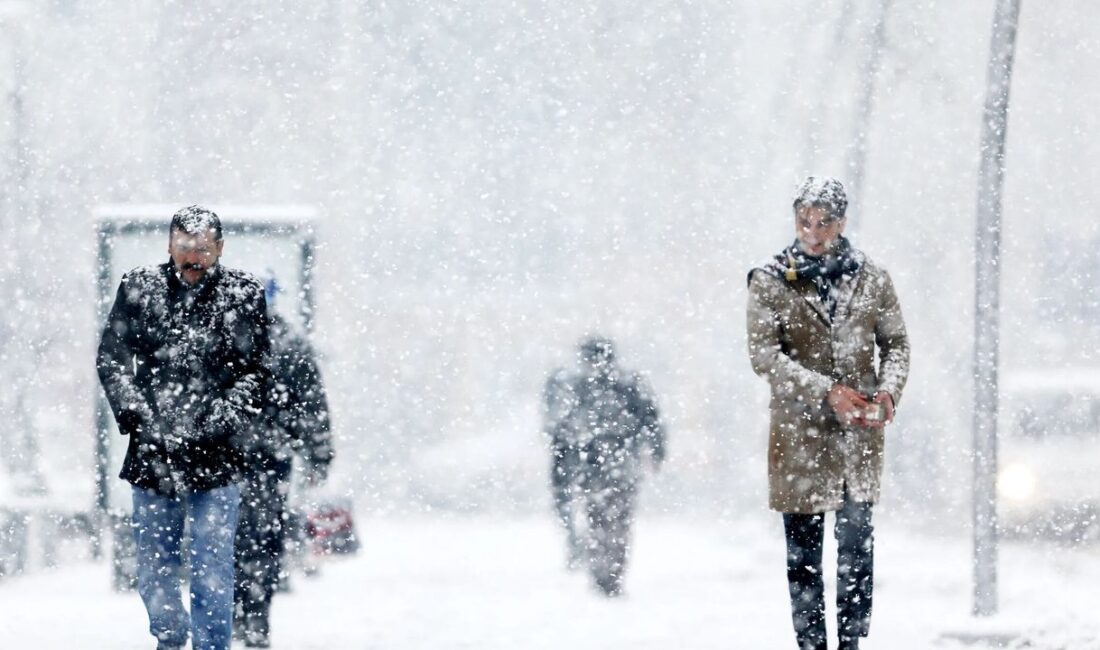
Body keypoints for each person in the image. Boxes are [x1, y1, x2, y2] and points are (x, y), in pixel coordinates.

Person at [746, 177, 910, 650]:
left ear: (842, 222)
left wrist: (888, 393)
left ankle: (853, 644)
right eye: (804, 222)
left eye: (824, 224)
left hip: (859, 439)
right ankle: (811, 646)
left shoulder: (872, 277)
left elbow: (895, 343)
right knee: (804, 560)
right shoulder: (771, 280)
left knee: (857, 553)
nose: (813, 233)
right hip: (798, 441)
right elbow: (765, 357)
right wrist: (826, 391)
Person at [97, 205, 270, 650]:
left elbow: (256, 371)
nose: (194, 257)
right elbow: (112, 359)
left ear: (220, 248)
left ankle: (212, 646)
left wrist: (222, 419)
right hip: (153, 454)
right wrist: (137, 413)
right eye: (184, 247)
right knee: (155, 567)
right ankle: (170, 639)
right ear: (169, 245)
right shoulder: (139, 288)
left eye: (204, 249)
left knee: (213, 567)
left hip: (218, 454)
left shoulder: (243, 294)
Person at [234, 279, 333, 648]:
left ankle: (234, 610)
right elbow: (312, 405)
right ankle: (256, 613)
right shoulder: (289, 343)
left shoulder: (223, 338)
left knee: (225, 538)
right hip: (271, 460)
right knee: (263, 538)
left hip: (225, 459)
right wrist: (318, 454)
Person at [548, 336, 665, 596]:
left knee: (599, 520)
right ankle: (611, 572)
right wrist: (655, 452)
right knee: (617, 522)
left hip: (595, 469)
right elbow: (651, 419)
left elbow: (564, 429)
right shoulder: (628, 383)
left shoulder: (581, 387)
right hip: (621, 466)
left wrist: (565, 465)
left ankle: (603, 573)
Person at [543, 366, 584, 569]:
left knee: (565, 502)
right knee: (570, 502)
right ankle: (579, 542)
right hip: (573, 453)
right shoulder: (570, 382)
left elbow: (550, 421)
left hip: (566, 452)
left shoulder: (563, 382)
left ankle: (577, 542)